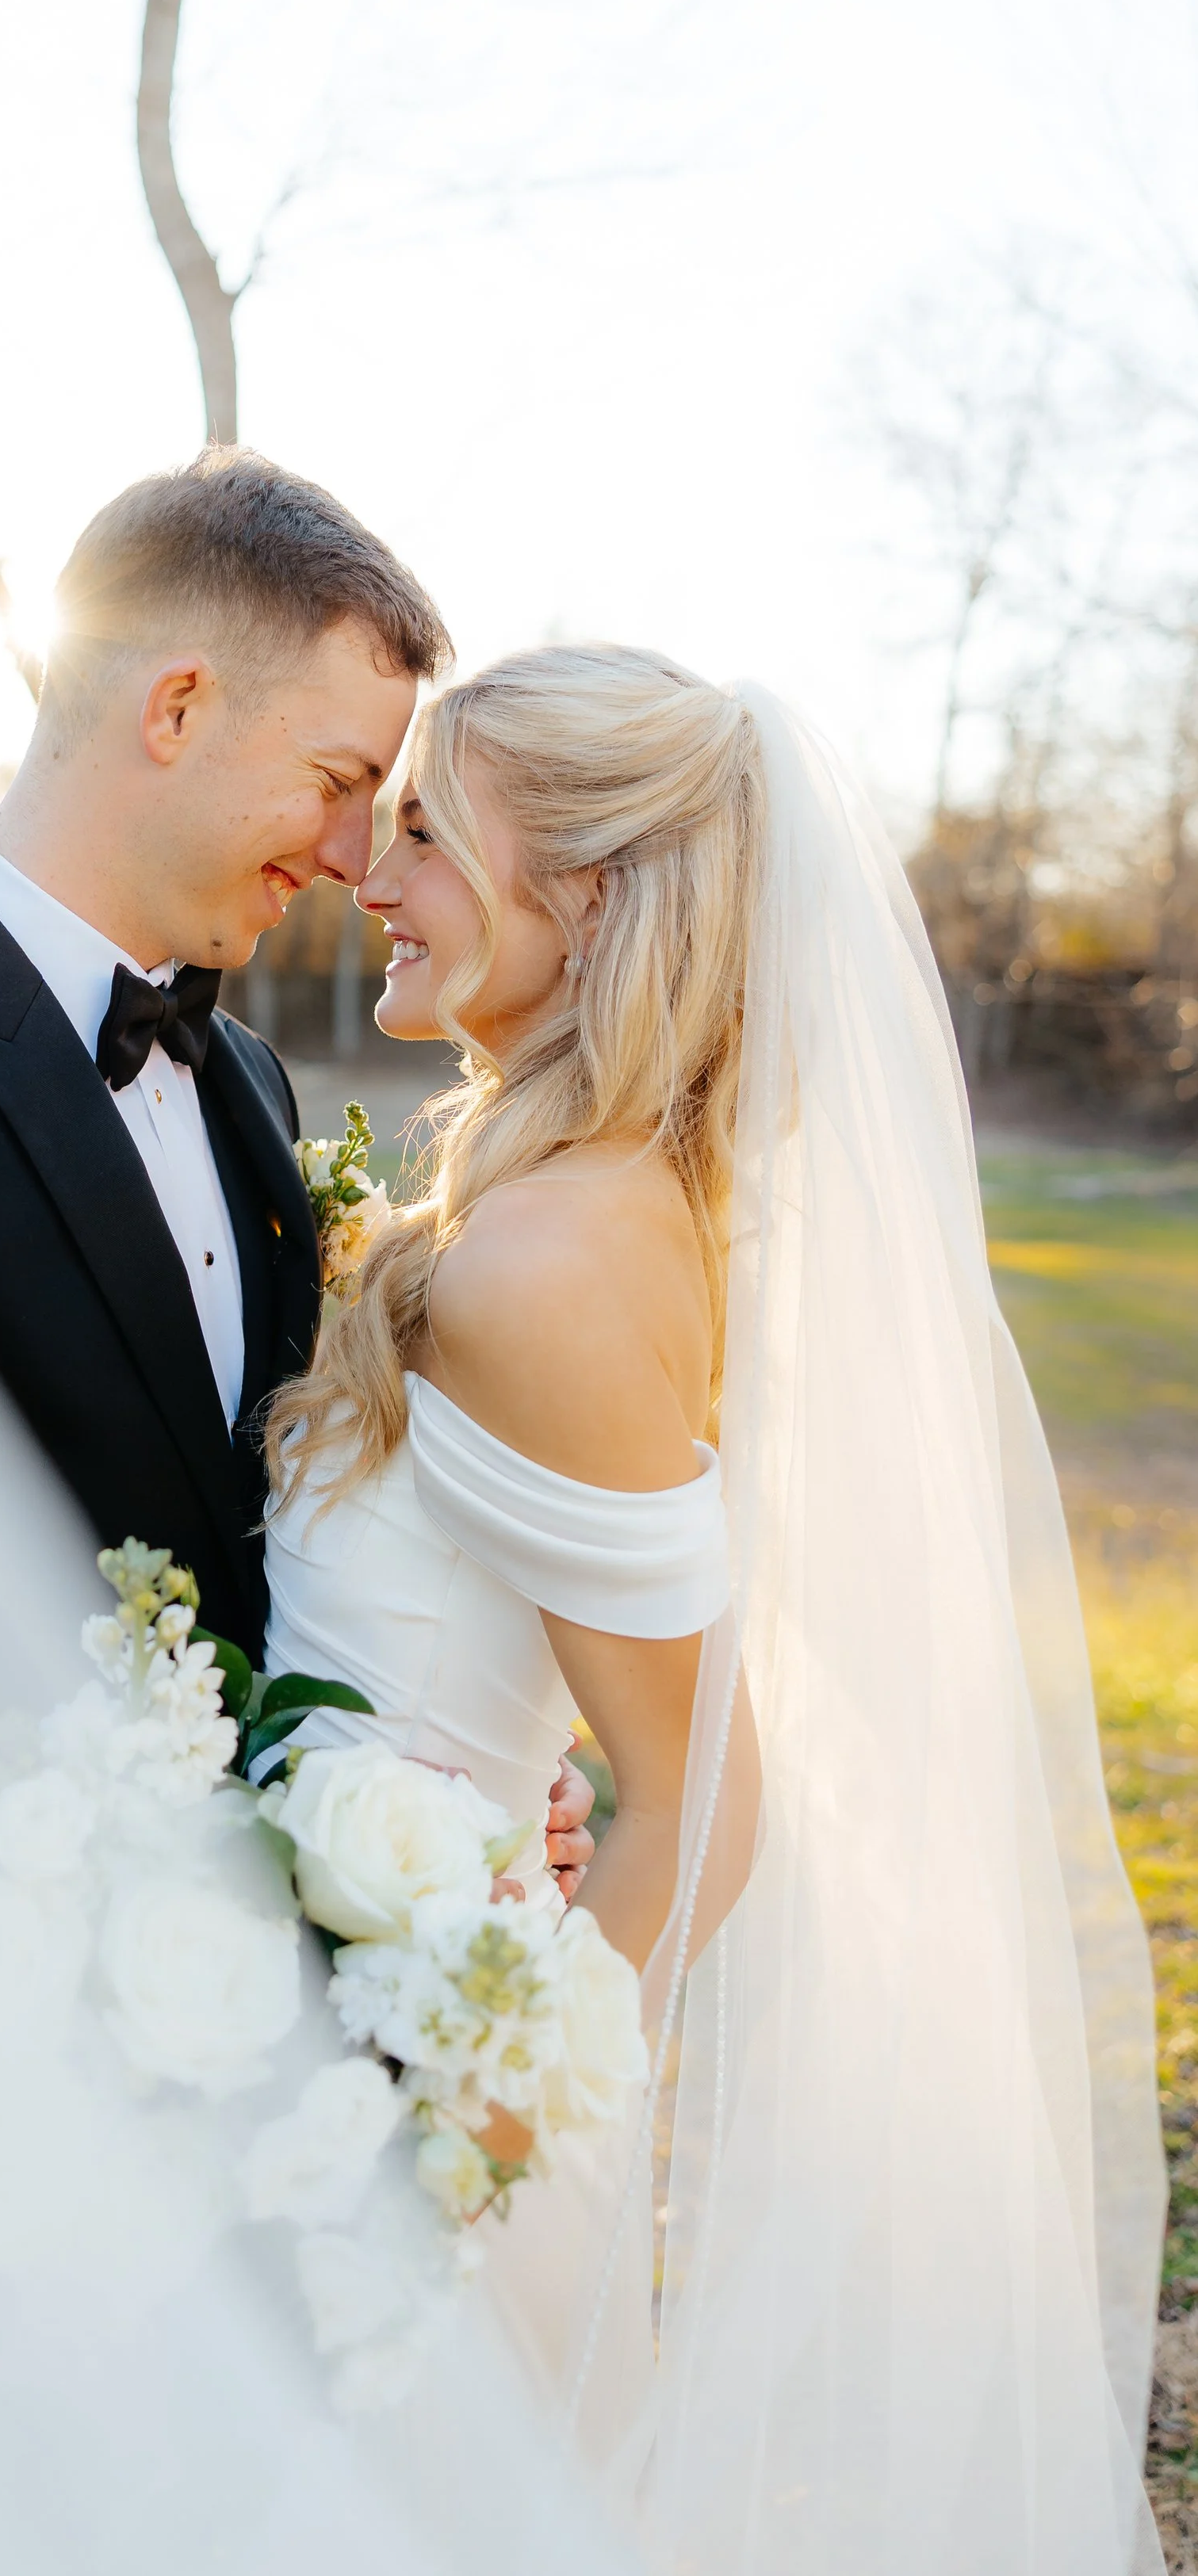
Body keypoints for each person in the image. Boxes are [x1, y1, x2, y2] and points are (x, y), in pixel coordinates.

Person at [262, 644, 1163, 2571]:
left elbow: (698, 1798)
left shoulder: (555, 1257)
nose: (372, 870)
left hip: (445, 2130)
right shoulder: (569, 1191)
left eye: (423, 828)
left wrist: (470, 2147)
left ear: (579, 895)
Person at [0, 449, 596, 1882]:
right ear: (177, 707)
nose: (347, 855)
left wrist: (431, 1812)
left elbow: (271, 1588)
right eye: (338, 783)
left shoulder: (249, 1080)